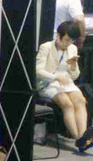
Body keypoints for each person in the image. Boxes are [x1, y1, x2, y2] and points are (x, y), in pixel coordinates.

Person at [37, 20, 93, 153]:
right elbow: (38, 71)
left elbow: (75, 76)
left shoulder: (72, 48)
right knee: (67, 103)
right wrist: (55, 77)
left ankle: (83, 137)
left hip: (66, 82)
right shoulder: (46, 47)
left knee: (80, 100)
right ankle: (78, 138)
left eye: (72, 40)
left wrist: (73, 66)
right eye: (67, 39)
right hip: (48, 82)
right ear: (58, 35)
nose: (69, 43)